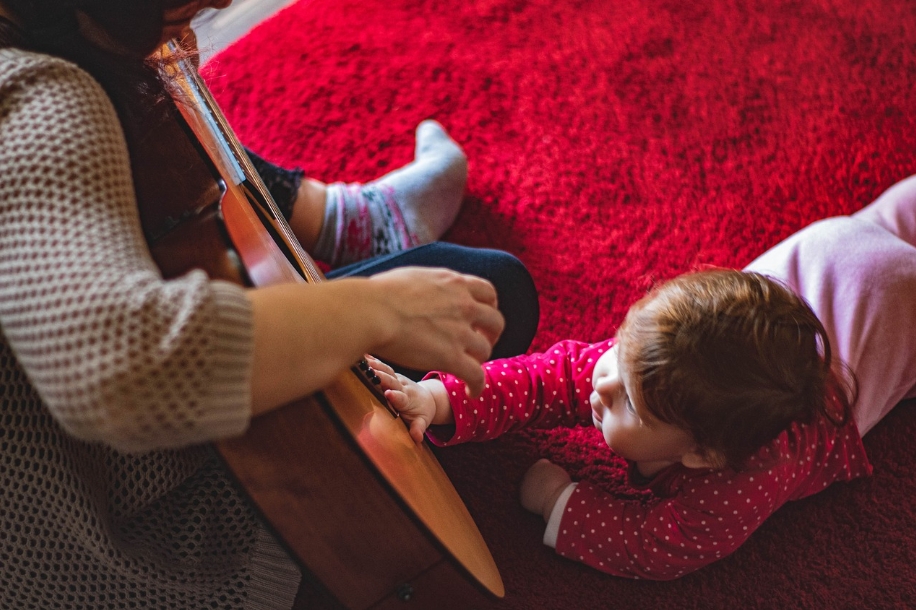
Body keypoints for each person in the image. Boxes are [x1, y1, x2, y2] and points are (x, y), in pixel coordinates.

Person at [0, 0, 539, 608]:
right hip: (142, 553)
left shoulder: (50, 47)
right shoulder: (43, 94)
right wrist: (377, 309)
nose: (222, 7)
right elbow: (119, 368)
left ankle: (346, 220)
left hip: (133, 470)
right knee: (479, 299)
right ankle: (359, 224)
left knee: (478, 291)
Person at [372, 174, 916, 580]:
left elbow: (659, 546)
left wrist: (559, 501)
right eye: (619, 351)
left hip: (888, 302)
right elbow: (543, 379)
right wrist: (437, 398)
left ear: (703, 455)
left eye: (630, 401)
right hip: (828, 257)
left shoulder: (742, 480)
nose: (600, 381)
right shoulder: (642, 371)